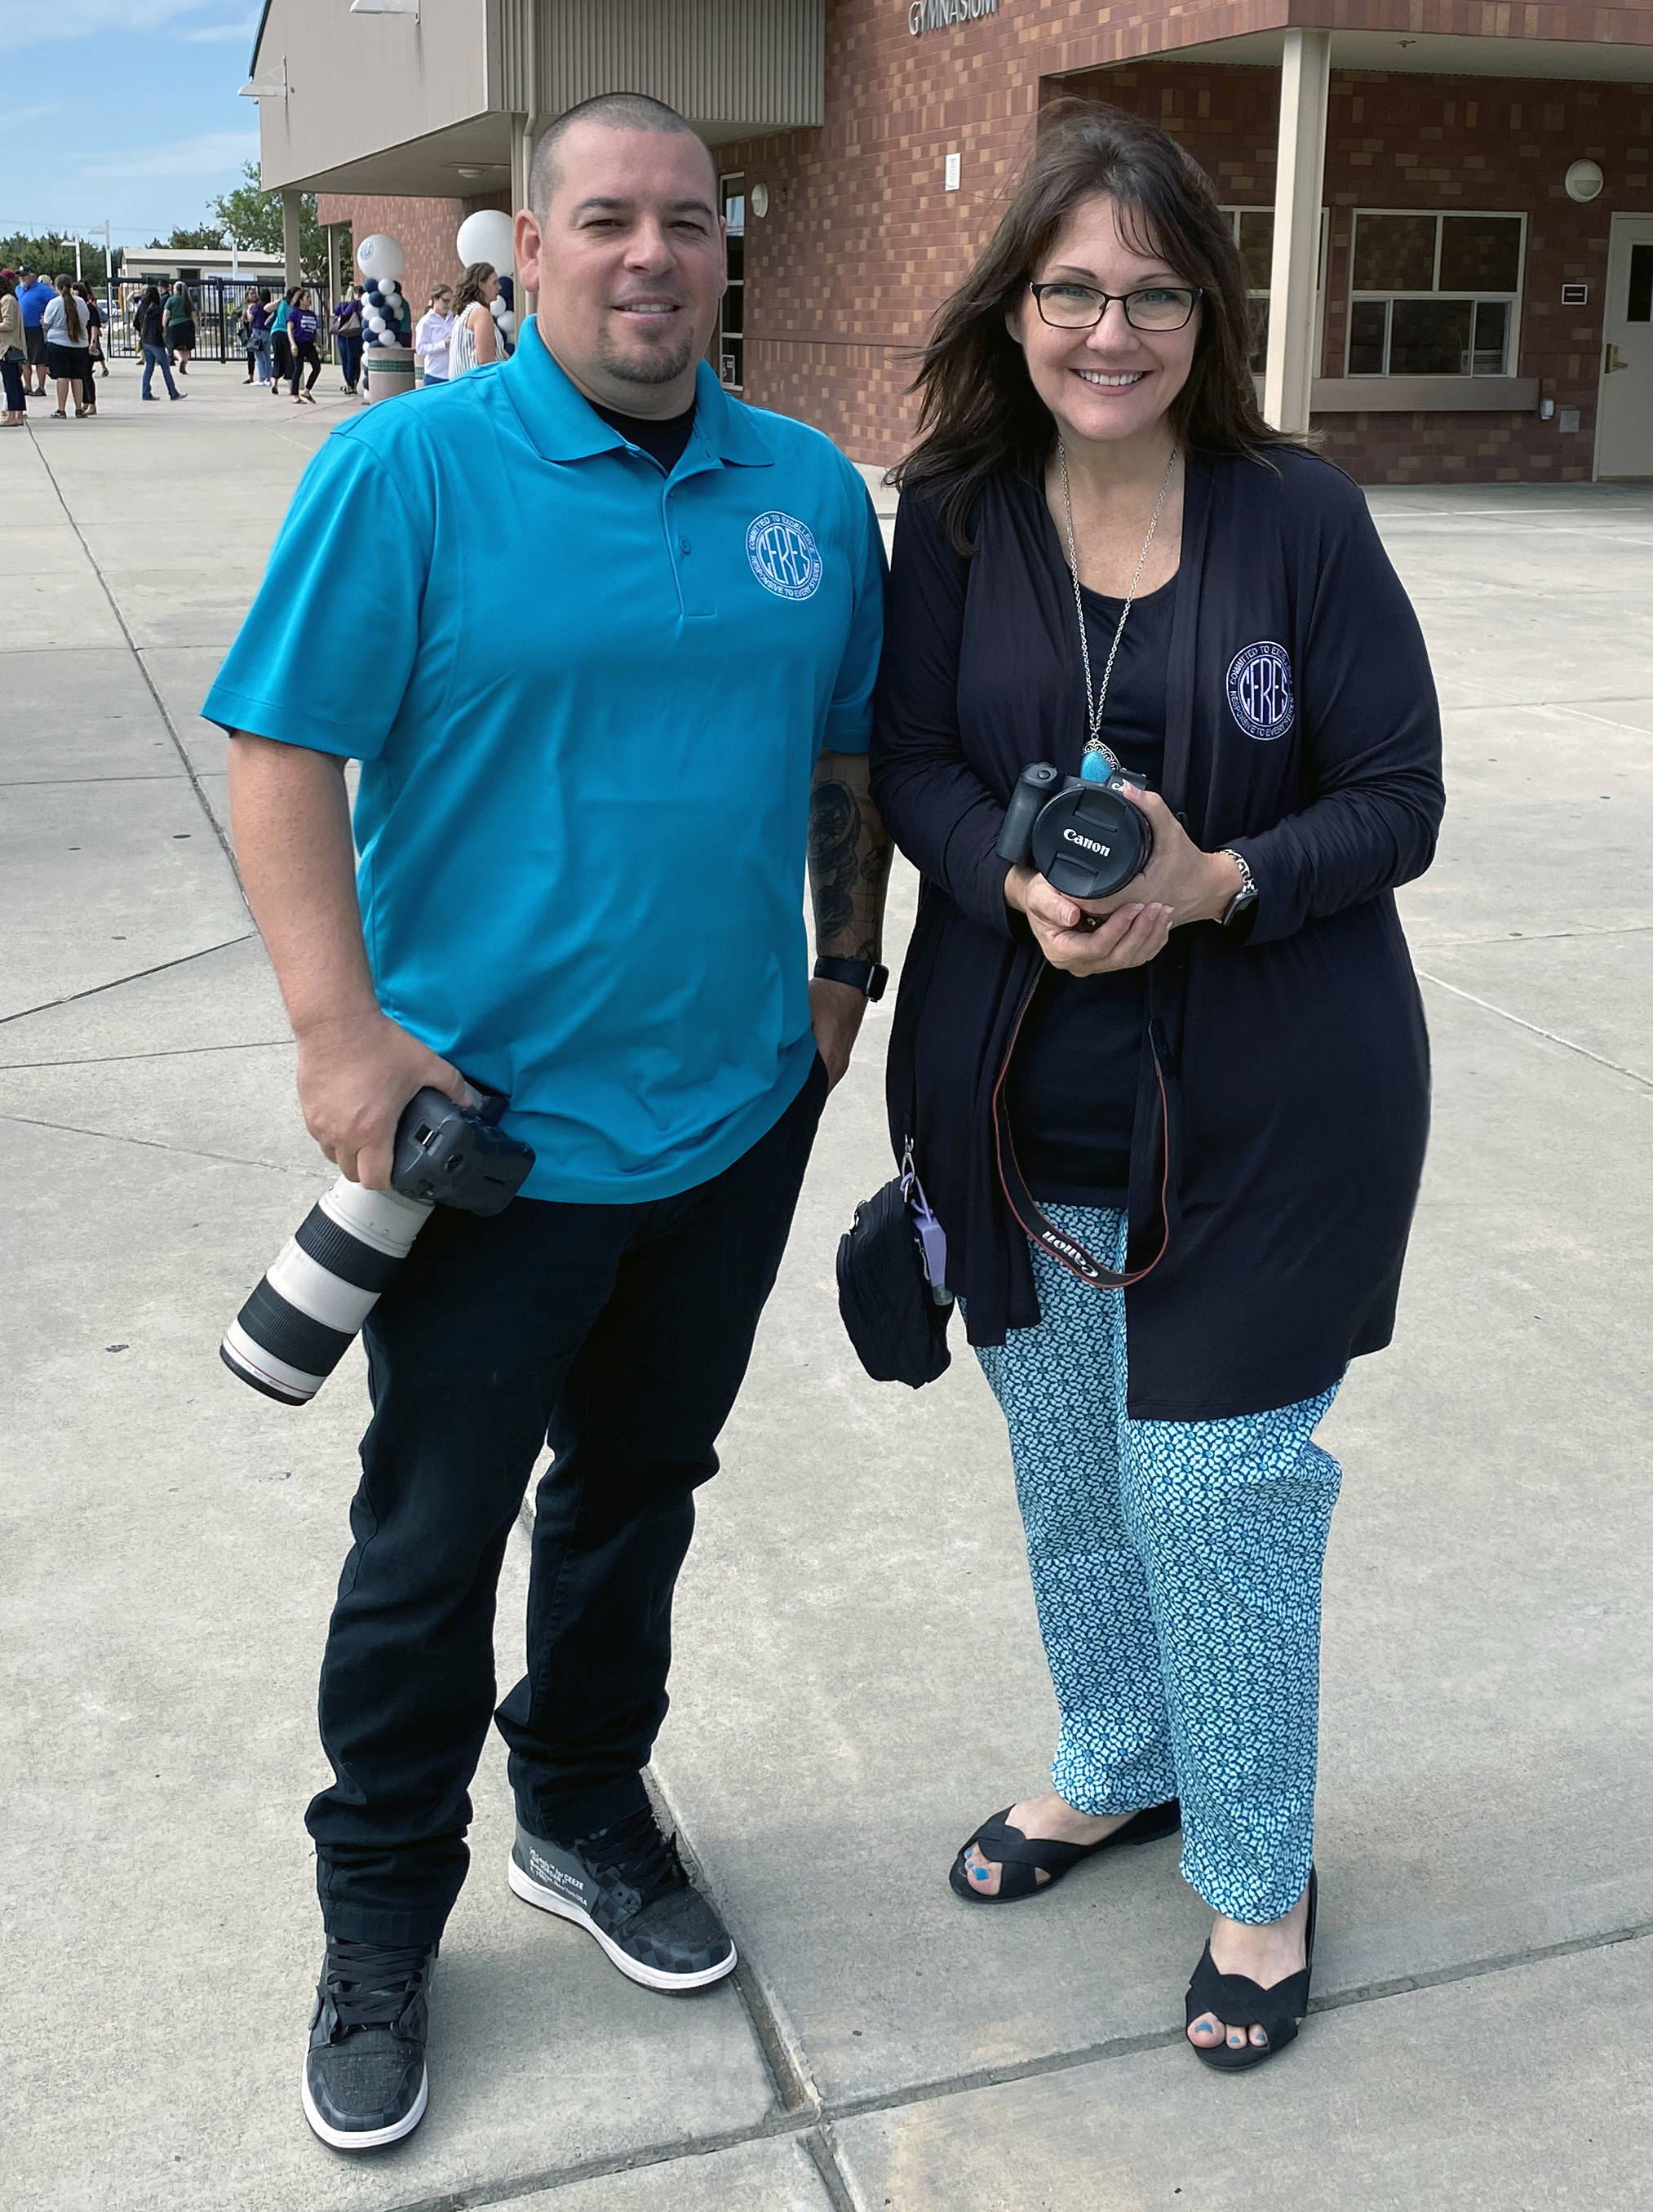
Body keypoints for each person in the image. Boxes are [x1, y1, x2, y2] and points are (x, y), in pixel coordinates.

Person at [203, 90, 889, 2153]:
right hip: (486, 1143)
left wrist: (842, 972)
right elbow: (278, 754)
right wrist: (340, 1039)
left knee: (642, 1488)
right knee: (429, 1540)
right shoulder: (406, 467)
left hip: (734, 1114)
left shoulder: (798, 490)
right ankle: (382, 1907)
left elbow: (842, 747)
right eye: (606, 221)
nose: (650, 256)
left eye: (686, 220)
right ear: (528, 243)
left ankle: (582, 1806)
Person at [871, 102, 1444, 2072]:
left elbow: (1397, 798)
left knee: (1212, 1485)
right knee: (1070, 1477)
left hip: (1280, 1100)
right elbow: (915, 764)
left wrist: (1219, 882)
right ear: (1014, 308)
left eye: (1149, 293)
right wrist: (1002, 878)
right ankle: (1116, 1759)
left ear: (1205, 307)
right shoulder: (949, 511)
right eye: (1069, 292)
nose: (1108, 331)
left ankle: (1259, 1869)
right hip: (1018, 1099)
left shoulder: (1303, 517)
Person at [42, 277, 93, 419]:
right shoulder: (81, 302)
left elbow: (47, 324)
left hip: (58, 343)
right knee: (78, 377)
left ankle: (61, 409)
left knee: (62, 377)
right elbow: (86, 320)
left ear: (57, 287)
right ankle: (78, 408)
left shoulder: (54, 303)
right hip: (80, 343)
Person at [446, 263, 498, 378]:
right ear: (481, 285)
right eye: (494, 283)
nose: (499, 287)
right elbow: (487, 364)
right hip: (475, 388)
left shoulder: (463, 312)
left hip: (460, 385)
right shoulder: (481, 313)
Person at [134, 284, 184, 401]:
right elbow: (160, 327)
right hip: (155, 341)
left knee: (149, 367)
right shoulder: (157, 309)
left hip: (145, 341)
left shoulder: (142, 308)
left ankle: (146, 392)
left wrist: (142, 331)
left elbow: (136, 323)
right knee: (165, 367)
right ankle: (173, 393)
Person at [17, 265, 53, 397]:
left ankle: (41, 387)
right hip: (21, 329)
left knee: (39, 359)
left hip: (37, 329)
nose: (22, 277)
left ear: (32, 275)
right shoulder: (18, 289)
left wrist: (45, 315)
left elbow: (54, 303)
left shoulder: (43, 290)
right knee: (24, 359)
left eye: (24, 275)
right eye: (20, 275)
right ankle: (27, 386)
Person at [413, 284, 454, 385]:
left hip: (454, 373)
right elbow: (420, 349)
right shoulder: (426, 322)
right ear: (435, 299)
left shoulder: (454, 318)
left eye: (451, 301)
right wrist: (443, 344)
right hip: (435, 374)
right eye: (445, 301)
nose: (448, 305)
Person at [1, 273, 27, 426]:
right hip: (9, 346)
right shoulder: (10, 299)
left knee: (11, 382)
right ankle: (17, 415)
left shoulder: (7, 300)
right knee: (15, 382)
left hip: (7, 347)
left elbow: (8, 324)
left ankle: (13, 415)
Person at [287, 286, 321, 402]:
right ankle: (295, 395)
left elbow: (314, 331)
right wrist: (293, 344)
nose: (310, 300)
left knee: (317, 366)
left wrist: (320, 345)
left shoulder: (312, 314)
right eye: (307, 297)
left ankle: (307, 391)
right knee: (298, 369)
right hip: (298, 343)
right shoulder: (295, 313)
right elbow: (290, 329)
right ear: (301, 300)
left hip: (309, 344)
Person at [76, 283, 107, 405]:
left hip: (87, 342)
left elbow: (94, 326)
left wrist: (93, 342)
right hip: (78, 343)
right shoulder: (77, 307)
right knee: (80, 375)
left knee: (87, 374)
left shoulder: (90, 308)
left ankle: (91, 403)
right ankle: (85, 402)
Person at [333, 284, 364, 395]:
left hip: (343, 335)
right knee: (355, 360)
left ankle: (349, 384)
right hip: (356, 334)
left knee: (346, 360)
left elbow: (338, 316)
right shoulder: (360, 305)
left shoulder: (341, 305)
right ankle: (353, 384)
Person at [165, 279, 195, 373]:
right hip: (187, 325)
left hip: (174, 325)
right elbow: (193, 314)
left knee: (174, 347)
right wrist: (197, 327)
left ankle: (180, 359)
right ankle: (184, 364)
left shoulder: (171, 299)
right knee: (187, 348)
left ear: (175, 289)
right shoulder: (188, 301)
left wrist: (164, 325)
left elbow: (166, 314)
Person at [269, 288, 294, 392]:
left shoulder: (282, 301)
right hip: (287, 333)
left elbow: (266, 308)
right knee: (289, 359)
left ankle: (274, 382)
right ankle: (291, 387)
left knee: (278, 357)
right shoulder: (295, 306)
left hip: (275, 332)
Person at [248, 289, 273, 383]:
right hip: (267, 332)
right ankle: (269, 377)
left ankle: (262, 378)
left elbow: (251, 319)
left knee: (259, 356)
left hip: (258, 331)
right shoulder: (269, 307)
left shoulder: (257, 306)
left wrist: (249, 311)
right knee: (267, 356)